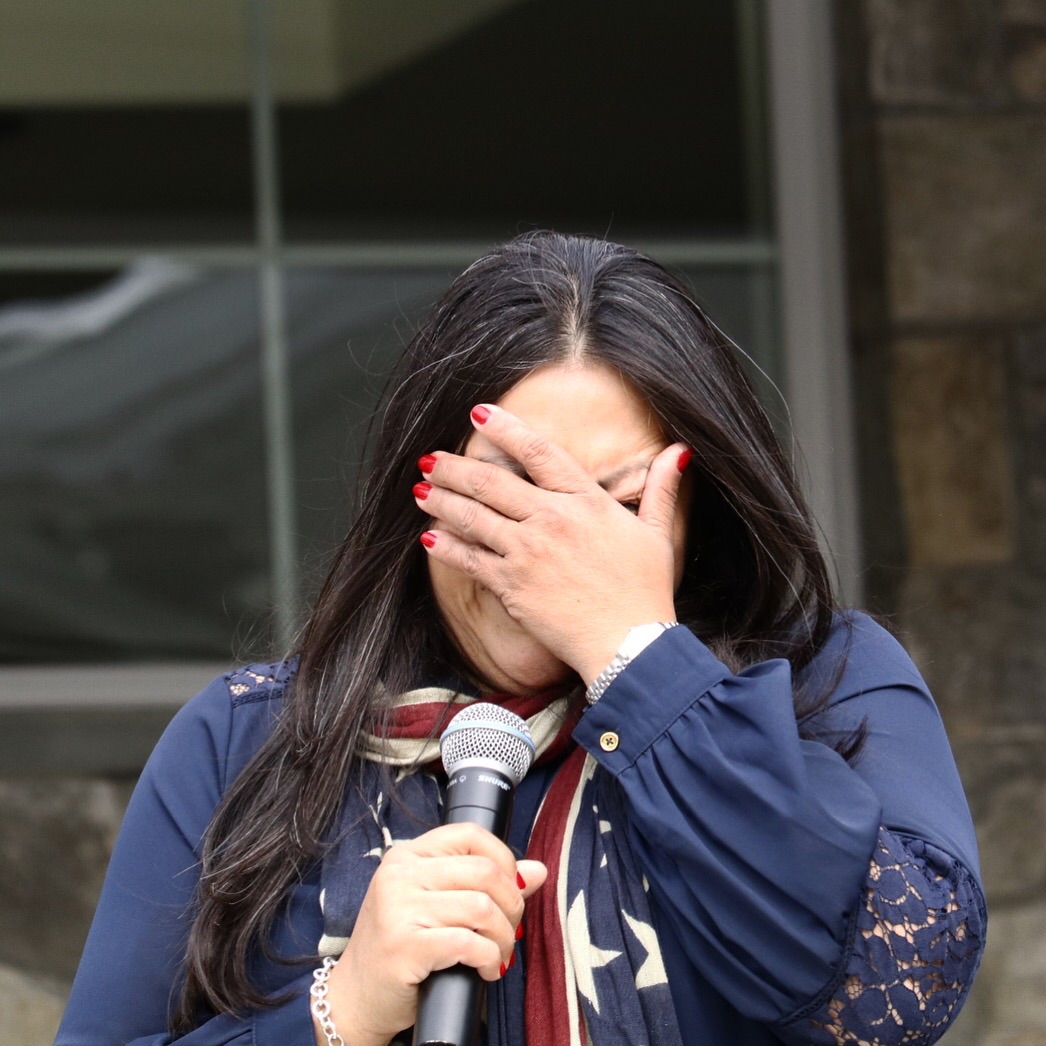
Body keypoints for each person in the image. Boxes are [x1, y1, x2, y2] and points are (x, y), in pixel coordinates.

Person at [57, 232, 986, 1046]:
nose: (550, 552)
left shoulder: (825, 686)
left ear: (696, 509)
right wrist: (340, 1011)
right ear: (422, 492)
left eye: (616, 506)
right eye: (506, 500)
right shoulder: (245, 740)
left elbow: (896, 999)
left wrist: (638, 656)